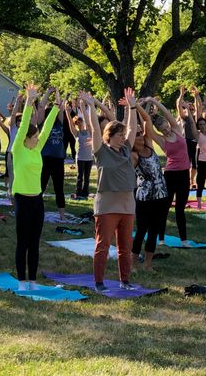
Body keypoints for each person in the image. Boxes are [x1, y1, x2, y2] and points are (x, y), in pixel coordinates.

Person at [83, 87, 138, 292]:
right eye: (119, 135)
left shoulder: (125, 149)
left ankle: (125, 281)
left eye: (123, 135)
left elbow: (132, 128)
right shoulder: (101, 151)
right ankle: (99, 282)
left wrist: (132, 106)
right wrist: (90, 106)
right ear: (110, 136)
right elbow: (95, 130)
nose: (123, 137)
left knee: (126, 246)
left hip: (127, 203)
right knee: (103, 245)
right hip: (107, 204)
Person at [11, 83, 59, 290]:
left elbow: (46, 129)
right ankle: (22, 281)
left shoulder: (36, 149)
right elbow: (22, 128)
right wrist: (30, 101)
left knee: (35, 242)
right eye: (35, 137)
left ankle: (33, 281)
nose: (38, 138)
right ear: (27, 140)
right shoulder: (19, 150)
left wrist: (57, 106)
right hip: (22, 199)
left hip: (37, 201)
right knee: (23, 243)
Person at [140, 97, 193, 247]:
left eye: (167, 127)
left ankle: (184, 240)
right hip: (170, 175)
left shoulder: (176, 129)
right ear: (160, 130)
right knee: (164, 207)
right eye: (163, 129)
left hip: (184, 174)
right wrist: (144, 106)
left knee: (180, 209)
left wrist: (154, 101)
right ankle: (161, 238)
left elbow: (167, 113)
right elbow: (147, 128)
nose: (166, 130)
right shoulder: (161, 140)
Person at [131, 103, 169, 271]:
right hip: (144, 197)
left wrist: (136, 105)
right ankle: (132, 265)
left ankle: (148, 264)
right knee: (141, 231)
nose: (141, 135)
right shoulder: (133, 155)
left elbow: (147, 120)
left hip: (161, 195)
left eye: (141, 133)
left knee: (154, 230)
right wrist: (131, 111)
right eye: (137, 134)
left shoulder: (149, 145)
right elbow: (131, 131)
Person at [38, 88, 67, 221]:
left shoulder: (59, 122)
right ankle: (37, 212)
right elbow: (41, 106)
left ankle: (62, 215)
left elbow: (60, 106)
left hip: (58, 160)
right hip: (44, 159)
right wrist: (48, 93)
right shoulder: (42, 124)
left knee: (59, 188)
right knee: (41, 186)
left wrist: (57, 94)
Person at [65, 103, 93, 199]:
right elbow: (70, 123)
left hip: (89, 158)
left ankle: (85, 194)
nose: (80, 123)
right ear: (76, 124)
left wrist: (82, 108)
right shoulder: (76, 133)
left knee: (87, 178)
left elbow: (89, 121)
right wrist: (67, 112)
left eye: (81, 121)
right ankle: (78, 193)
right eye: (78, 122)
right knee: (80, 177)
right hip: (80, 158)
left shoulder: (89, 131)